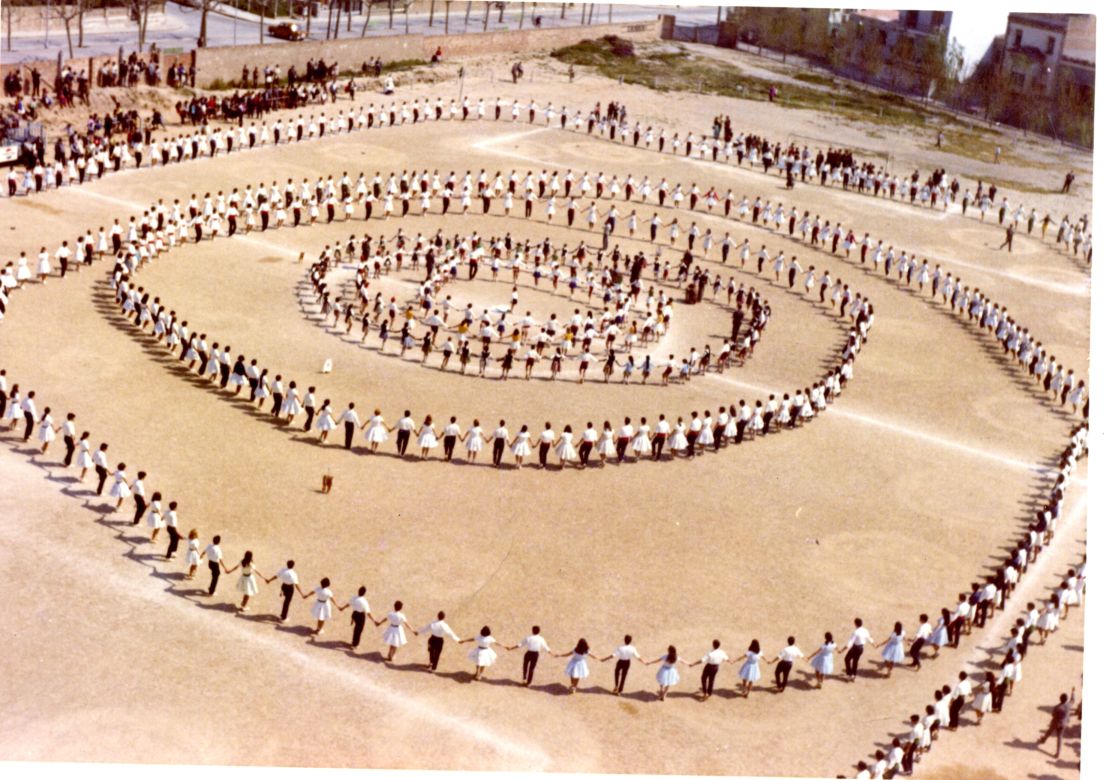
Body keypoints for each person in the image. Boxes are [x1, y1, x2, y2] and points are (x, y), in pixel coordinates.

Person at [1038, 689, 1075, 758]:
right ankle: (1058, 752)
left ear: (1060, 699)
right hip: (1064, 723)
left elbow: (1053, 715)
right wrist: (1073, 692)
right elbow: (1072, 700)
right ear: (1066, 699)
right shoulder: (1068, 705)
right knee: (1059, 737)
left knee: (1049, 731)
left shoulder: (1057, 707)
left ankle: (1043, 739)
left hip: (1056, 722)